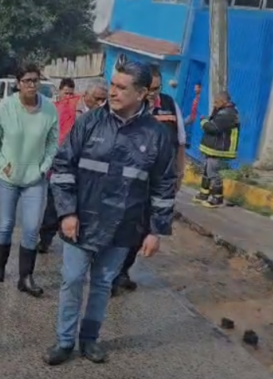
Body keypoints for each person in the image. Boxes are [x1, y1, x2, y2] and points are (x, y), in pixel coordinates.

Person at [44, 61, 176, 365]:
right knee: (73, 279)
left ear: (142, 93)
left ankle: (89, 339)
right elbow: (63, 167)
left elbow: (163, 185)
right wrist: (67, 213)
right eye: (112, 84)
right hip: (82, 220)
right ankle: (64, 342)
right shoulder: (90, 122)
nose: (112, 92)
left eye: (120, 87)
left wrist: (156, 230)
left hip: (124, 225)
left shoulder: (156, 135)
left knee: (103, 283)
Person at [111, 64, 187, 296]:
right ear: (141, 90)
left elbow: (180, 142)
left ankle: (122, 270)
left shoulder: (170, 105)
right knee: (122, 227)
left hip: (157, 181)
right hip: (130, 182)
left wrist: (179, 173)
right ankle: (111, 274)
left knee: (143, 229)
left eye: (157, 88)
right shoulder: (131, 109)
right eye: (150, 89)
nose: (154, 93)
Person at [0, 63, 58, 297]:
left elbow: (52, 143)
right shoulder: (4, 107)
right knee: (6, 224)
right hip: (7, 176)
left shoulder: (49, 110)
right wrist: (1, 161)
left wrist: (44, 168)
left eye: (35, 80)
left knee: (30, 228)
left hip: (34, 179)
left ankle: (26, 277)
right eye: (27, 80)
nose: (32, 85)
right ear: (18, 83)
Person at [38, 80, 108, 254]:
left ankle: (76, 243)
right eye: (97, 99)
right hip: (62, 167)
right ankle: (44, 240)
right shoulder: (64, 108)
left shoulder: (106, 117)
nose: (101, 103)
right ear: (86, 96)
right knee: (54, 208)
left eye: (103, 99)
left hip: (88, 174)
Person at [193, 90, 239, 208]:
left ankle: (217, 198)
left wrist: (203, 122)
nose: (214, 104)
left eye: (216, 102)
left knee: (213, 173)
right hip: (212, 148)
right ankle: (204, 194)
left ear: (224, 101)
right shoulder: (222, 111)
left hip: (219, 148)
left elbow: (213, 128)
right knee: (206, 171)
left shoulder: (227, 114)